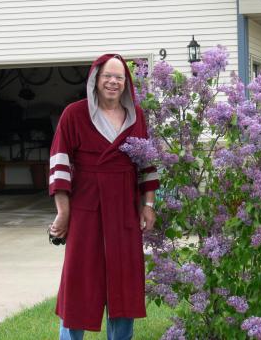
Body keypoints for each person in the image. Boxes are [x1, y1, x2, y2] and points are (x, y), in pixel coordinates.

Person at [48, 54, 160, 340]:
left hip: (124, 206)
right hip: (87, 206)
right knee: (79, 281)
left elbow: (146, 163)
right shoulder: (74, 114)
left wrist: (147, 205)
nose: (112, 82)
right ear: (95, 79)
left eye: (119, 77)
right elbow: (60, 163)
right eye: (107, 76)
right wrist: (63, 212)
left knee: (125, 282)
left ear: (126, 82)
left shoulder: (136, 116)